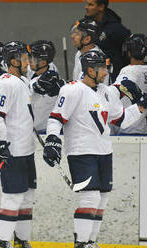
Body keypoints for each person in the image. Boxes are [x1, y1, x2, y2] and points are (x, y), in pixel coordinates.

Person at [42, 50, 147, 248]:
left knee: (103, 198)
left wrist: (141, 106)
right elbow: (56, 117)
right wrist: (52, 140)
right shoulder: (72, 90)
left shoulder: (106, 92)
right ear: (90, 70)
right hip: (81, 151)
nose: (106, 72)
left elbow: (121, 120)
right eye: (102, 68)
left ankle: (90, 242)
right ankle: (81, 243)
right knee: (90, 197)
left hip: (104, 151)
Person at [0, 41, 36, 248]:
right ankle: (3, 241)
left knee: (27, 198)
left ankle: (22, 241)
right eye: (24, 58)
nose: (28, 62)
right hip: (12, 151)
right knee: (12, 198)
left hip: (27, 150)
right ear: (14, 60)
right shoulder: (5, 82)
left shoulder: (22, 81)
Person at [84, 0, 131, 81]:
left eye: (90, 4)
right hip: (98, 79)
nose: (86, 7)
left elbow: (132, 52)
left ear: (101, 7)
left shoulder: (115, 28)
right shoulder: (92, 25)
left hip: (115, 81)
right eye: (87, 4)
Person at [112, 33, 147, 134]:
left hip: (127, 127)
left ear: (129, 52)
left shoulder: (128, 70)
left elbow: (113, 93)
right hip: (142, 128)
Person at [27, 40, 65, 133]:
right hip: (33, 131)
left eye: (33, 58)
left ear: (43, 63)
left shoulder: (52, 80)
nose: (29, 61)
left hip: (48, 131)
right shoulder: (33, 74)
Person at [71, 17, 110, 85]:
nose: (72, 36)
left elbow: (98, 91)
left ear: (87, 39)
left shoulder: (97, 60)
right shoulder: (79, 53)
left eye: (77, 34)